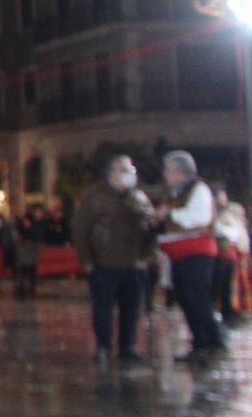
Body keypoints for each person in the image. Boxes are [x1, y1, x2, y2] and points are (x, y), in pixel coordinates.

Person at [73, 154, 155, 365]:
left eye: (131, 170)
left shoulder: (138, 197)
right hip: (104, 263)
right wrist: (86, 260)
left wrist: (146, 257)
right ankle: (103, 345)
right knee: (103, 307)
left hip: (133, 263)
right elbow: (81, 229)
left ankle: (128, 345)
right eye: (124, 170)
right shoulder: (95, 197)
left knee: (131, 307)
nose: (130, 174)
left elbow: (152, 228)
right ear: (112, 174)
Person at [157, 149, 226, 363]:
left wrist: (170, 214)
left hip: (197, 253)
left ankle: (212, 340)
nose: (165, 174)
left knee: (198, 298)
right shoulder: (175, 193)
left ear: (180, 172)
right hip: (180, 254)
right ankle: (200, 341)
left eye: (168, 170)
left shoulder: (199, 189)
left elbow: (199, 217)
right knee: (187, 299)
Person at [213, 187, 248, 327]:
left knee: (228, 286)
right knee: (218, 285)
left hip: (230, 254)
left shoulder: (228, 214)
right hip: (219, 254)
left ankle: (228, 313)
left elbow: (235, 234)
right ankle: (219, 312)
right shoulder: (214, 213)